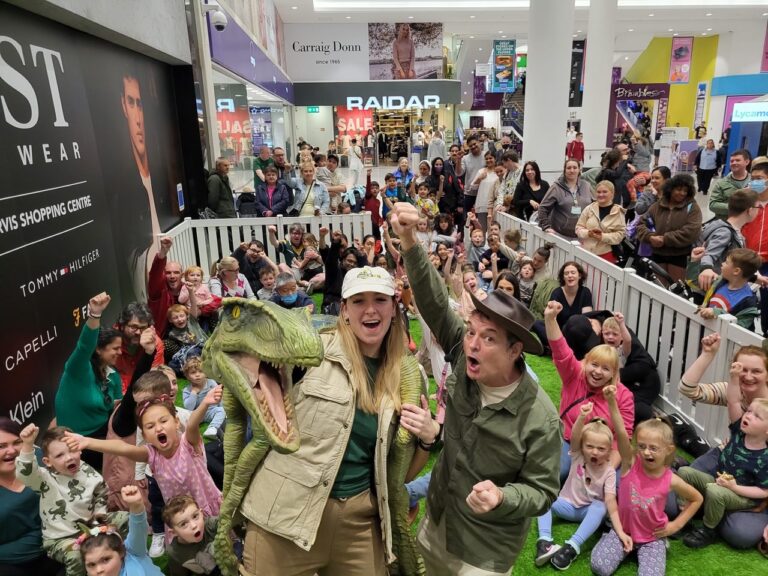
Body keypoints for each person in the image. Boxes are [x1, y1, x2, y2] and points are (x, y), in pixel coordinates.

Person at [392, 202, 561, 575]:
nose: (471, 344)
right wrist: (409, 240)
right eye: (471, 333)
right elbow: (435, 303)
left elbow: (543, 491)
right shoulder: (463, 361)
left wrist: (503, 496)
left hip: (484, 547)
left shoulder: (540, 418)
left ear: (515, 350)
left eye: (488, 338)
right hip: (438, 520)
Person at [236, 265, 430, 576]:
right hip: (285, 516)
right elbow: (244, 359)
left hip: (359, 522)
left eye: (380, 299)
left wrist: (429, 437)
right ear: (344, 310)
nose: (370, 310)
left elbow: (401, 471)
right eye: (358, 301)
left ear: (394, 307)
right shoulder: (310, 352)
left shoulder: (407, 376)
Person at [64, 391, 223, 544]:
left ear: (176, 422)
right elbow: (123, 448)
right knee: (188, 552)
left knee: (221, 544)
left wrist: (205, 403)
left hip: (206, 506)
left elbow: (193, 425)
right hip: (179, 517)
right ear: (145, 436)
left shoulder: (188, 444)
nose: (158, 428)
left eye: (163, 421)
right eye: (150, 426)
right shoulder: (152, 455)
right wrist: (88, 442)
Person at [590, 390, 702, 576]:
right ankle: (609, 538)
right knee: (599, 567)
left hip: (652, 537)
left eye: (653, 448)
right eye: (641, 446)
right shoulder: (630, 464)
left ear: (668, 450)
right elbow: (620, 432)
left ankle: (655, 548)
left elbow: (696, 498)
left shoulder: (671, 479)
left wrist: (676, 526)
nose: (646, 453)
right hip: (622, 531)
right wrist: (611, 402)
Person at [676, 333, 768, 548]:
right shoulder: (734, 392)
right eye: (741, 369)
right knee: (678, 490)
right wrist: (708, 354)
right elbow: (688, 389)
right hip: (728, 459)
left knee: (739, 534)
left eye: (756, 371)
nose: (747, 376)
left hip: (754, 477)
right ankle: (700, 506)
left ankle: (713, 516)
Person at [16, 424, 128, 576]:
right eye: (59, 455)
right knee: (76, 556)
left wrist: (100, 524)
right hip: (61, 538)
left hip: (92, 526)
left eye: (72, 450)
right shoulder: (44, 478)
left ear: (79, 449)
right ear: (48, 462)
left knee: (125, 518)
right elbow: (25, 474)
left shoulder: (86, 470)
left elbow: (100, 494)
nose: (69, 457)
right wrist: (28, 444)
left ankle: (123, 561)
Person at [543, 301, 633, 483]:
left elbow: (621, 440)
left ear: (614, 373)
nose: (598, 372)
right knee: (561, 471)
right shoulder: (575, 375)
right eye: (594, 364)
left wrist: (607, 470)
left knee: (619, 486)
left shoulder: (624, 395)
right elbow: (561, 350)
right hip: (569, 442)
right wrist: (550, 319)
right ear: (586, 363)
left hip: (603, 452)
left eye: (606, 368)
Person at [535, 405, 616, 570]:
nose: (595, 452)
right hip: (567, 505)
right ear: (582, 446)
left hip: (587, 513)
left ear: (609, 451)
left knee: (600, 506)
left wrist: (617, 524)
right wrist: (581, 417)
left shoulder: (609, 472)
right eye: (590, 446)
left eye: (601, 449)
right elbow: (575, 436)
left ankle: (571, 547)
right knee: (545, 497)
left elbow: (610, 499)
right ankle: (545, 542)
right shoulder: (578, 455)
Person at [55, 292, 123, 470]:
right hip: (76, 442)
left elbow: (117, 407)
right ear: (99, 350)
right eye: (115, 348)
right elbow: (84, 345)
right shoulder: (77, 370)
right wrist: (95, 314)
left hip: (105, 434)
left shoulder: (112, 374)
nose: (120, 352)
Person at [0, 418, 64, 575]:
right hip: (12, 566)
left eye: (17, 442)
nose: (11, 450)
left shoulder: (42, 460)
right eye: (1, 447)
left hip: (63, 546)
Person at [78, 485, 163, 576]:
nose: (99, 570)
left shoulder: (134, 552)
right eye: (91, 565)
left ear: (122, 552)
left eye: (106, 559)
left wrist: (136, 504)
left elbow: (138, 528)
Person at [636, 173, 703, 283]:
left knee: (676, 290)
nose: (682, 193)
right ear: (670, 189)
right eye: (678, 189)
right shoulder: (657, 206)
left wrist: (665, 239)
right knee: (659, 289)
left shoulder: (693, 208)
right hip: (658, 255)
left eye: (685, 190)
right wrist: (650, 237)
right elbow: (640, 224)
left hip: (680, 256)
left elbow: (692, 231)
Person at [695, 189, 758, 292]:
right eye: (758, 207)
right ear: (750, 210)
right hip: (714, 289)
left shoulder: (723, 226)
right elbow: (709, 255)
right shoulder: (725, 232)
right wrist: (706, 268)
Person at [696, 248, 761, 330]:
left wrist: (717, 313)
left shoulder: (748, 302)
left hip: (721, 341)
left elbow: (740, 329)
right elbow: (694, 285)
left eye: (726, 262)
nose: (722, 264)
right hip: (704, 332)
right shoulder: (720, 281)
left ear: (736, 271)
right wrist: (693, 262)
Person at [114, 303, 164, 394]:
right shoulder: (111, 341)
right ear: (121, 326)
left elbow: (154, 378)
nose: (138, 332)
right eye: (133, 327)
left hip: (143, 390)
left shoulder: (155, 343)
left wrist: (149, 351)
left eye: (143, 328)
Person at [162, 495, 219, 575]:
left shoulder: (209, 525)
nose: (194, 525)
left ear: (202, 513)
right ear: (174, 532)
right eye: (183, 524)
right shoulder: (175, 553)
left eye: (195, 516)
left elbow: (226, 520)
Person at [538, 159, 593, 239]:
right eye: (569, 168)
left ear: (579, 170)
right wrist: (546, 226)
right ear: (564, 170)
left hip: (583, 235)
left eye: (575, 168)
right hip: (561, 236)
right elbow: (542, 207)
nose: (572, 170)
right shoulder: (556, 187)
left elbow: (596, 205)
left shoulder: (587, 186)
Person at [575, 181, 627, 263]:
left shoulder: (618, 212)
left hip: (606, 255)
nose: (601, 194)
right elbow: (578, 228)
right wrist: (588, 233)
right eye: (598, 192)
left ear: (612, 193)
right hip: (586, 253)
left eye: (605, 192)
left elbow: (620, 235)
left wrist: (602, 237)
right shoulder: (589, 208)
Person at [182, 358, 226, 439]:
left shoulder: (211, 383)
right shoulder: (187, 390)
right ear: (188, 376)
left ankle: (213, 429)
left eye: (200, 371)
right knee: (186, 418)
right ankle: (216, 432)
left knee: (221, 411)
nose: (197, 375)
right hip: (198, 414)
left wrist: (223, 407)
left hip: (211, 411)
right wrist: (193, 393)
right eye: (193, 372)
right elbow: (188, 407)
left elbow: (219, 396)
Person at [148, 236, 182, 337]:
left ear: (182, 274)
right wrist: (163, 251)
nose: (172, 276)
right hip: (164, 338)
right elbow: (155, 272)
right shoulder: (158, 291)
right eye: (168, 273)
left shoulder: (187, 289)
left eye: (176, 273)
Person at [710, 149, 752, 219]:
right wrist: (736, 208)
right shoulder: (721, 183)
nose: (734, 163)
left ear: (747, 162)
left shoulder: (754, 181)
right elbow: (713, 205)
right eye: (731, 161)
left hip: (749, 223)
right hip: (727, 224)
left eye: (738, 160)